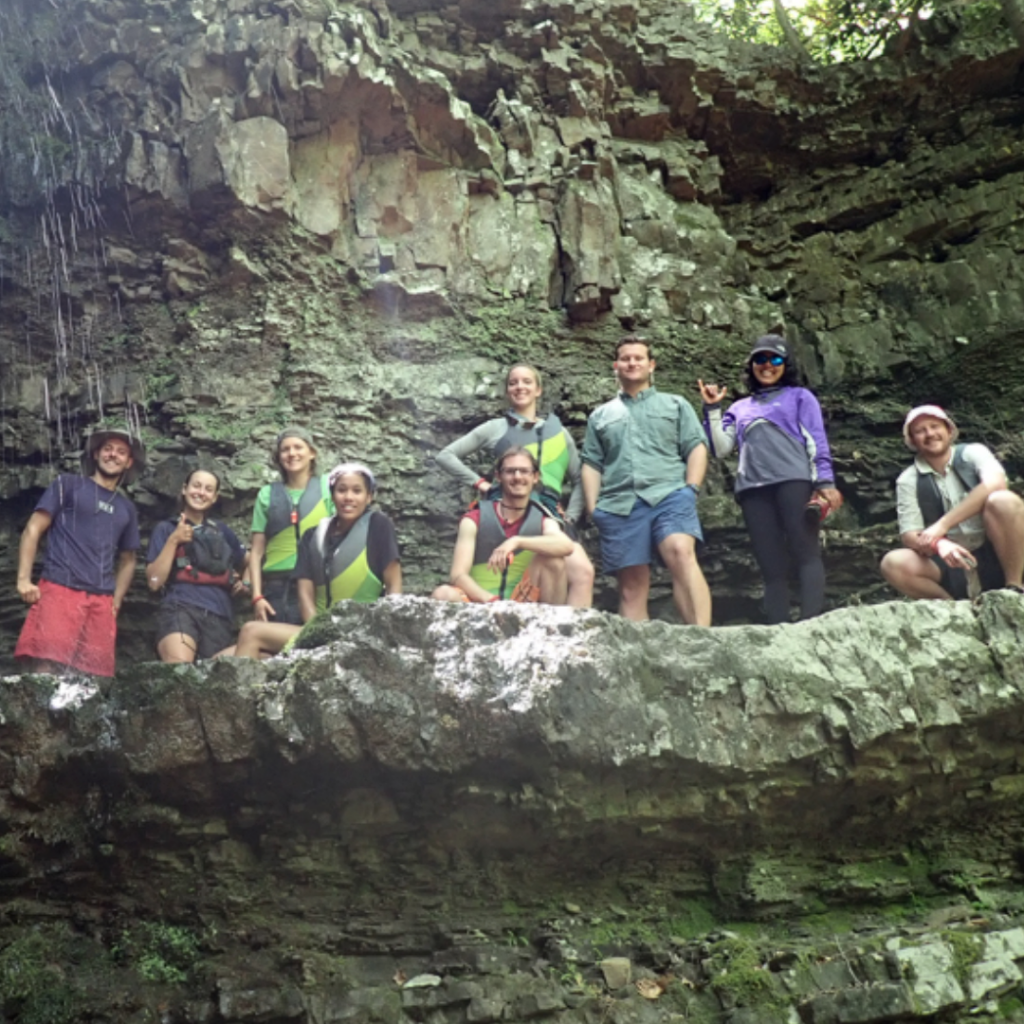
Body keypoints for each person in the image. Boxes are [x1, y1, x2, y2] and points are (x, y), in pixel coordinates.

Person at [698, 334, 842, 624]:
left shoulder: (800, 397)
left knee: (805, 551)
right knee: (770, 562)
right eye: (760, 360)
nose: (767, 365)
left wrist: (825, 482)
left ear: (785, 363)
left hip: (794, 481)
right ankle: (778, 627)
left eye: (774, 359)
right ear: (751, 366)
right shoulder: (739, 408)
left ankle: (811, 622)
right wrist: (713, 409)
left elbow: (817, 442)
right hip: (752, 489)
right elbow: (720, 448)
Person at [436, 363, 594, 607]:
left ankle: (570, 637)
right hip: (505, 503)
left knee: (583, 572)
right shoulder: (495, 428)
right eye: (513, 383)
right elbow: (446, 455)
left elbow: (579, 478)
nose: (520, 387)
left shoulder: (560, 433)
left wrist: (571, 516)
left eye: (527, 382)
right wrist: (480, 484)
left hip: (547, 510)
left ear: (538, 389)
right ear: (507, 391)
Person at [581, 336, 712, 625]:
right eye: (625, 358)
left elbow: (696, 446)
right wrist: (594, 509)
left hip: (670, 493)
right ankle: (638, 660)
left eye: (638, 358)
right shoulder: (600, 416)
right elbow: (591, 463)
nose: (632, 363)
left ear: (651, 365)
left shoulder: (676, 404)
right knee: (631, 586)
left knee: (680, 552)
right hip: (619, 504)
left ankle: (704, 638)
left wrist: (691, 489)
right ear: (615, 366)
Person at [235, 462, 401, 658]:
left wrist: (388, 633)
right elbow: (305, 592)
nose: (348, 497)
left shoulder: (378, 525)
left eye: (357, 491)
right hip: (322, 632)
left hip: (362, 630)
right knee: (244, 644)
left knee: (251, 633)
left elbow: (394, 584)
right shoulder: (312, 536)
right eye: (341, 490)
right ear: (332, 495)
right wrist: (317, 633)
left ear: (369, 496)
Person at [14, 427, 144, 677]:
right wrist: (23, 580)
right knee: (47, 667)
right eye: (107, 449)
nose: (112, 455)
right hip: (60, 588)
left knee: (94, 679)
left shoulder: (126, 508)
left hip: (100, 600)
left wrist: (115, 601)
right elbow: (33, 528)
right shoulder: (68, 485)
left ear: (128, 462)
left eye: (121, 452)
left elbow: (128, 560)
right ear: (96, 454)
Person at [880, 405, 1024, 600]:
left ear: (949, 431)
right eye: (920, 431)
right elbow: (909, 535)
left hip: (995, 553)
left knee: (1003, 501)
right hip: (951, 566)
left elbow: (996, 483)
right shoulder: (908, 479)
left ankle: (1014, 586)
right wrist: (940, 544)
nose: (929, 434)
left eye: (935, 426)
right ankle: (952, 610)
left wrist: (941, 526)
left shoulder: (973, 453)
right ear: (913, 440)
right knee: (893, 563)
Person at [432, 446, 574, 604]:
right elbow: (458, 575)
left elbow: (566, 546)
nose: (518, 477)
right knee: (443, 594)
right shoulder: (474, 519)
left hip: (521, 603)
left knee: (554, 560)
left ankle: (551, 625)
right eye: (510, 471)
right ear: (499, 476)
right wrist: (491, 601)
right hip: (479, 602)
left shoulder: (544, 521)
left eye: (524, 471)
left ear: (535, 477)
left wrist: (517, 541)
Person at [146, 469, 250, 663]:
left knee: (211, 682)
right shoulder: (166, 528)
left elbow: (251, 560)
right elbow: (153, 582)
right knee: (181, 672)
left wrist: (247, 582)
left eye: (208, 489)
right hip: (180, 609)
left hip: (219, 616)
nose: (201, 492)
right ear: (185, 489)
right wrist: (174, 540)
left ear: (214, 497)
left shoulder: (222, 531)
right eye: (196, 486)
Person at [248, 427, 332, 626]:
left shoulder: (328, 489)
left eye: (298, 447)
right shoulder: (267, 494)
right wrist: (257, 597)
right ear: (279, 457)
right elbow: (256, 552)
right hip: (277, 588)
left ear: (312, 453)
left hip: (318, 584)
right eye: (285, 449)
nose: (292, 453)